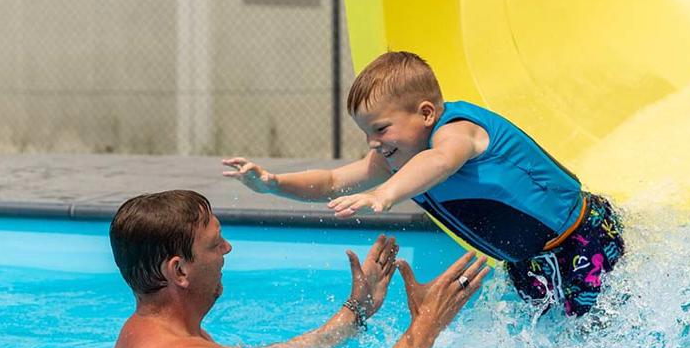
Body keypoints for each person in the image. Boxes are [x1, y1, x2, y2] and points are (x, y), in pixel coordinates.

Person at [222, 51, 624, 317]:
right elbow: (332, 180)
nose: (373, 143)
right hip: (530, 261)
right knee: (559, 338)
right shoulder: (399, 155)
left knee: (598, 328)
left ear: (427, 113)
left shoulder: (458, 131)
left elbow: (441, 161)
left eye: (381, 128)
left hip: (581, 238)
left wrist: (385, 193)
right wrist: (273, 183)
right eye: (367, 134)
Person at [104, 190, 488, 348]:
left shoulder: (142, 336)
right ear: (179, 272)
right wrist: (426, 324)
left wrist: (355, 313)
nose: (227, 248)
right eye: (213, 243)